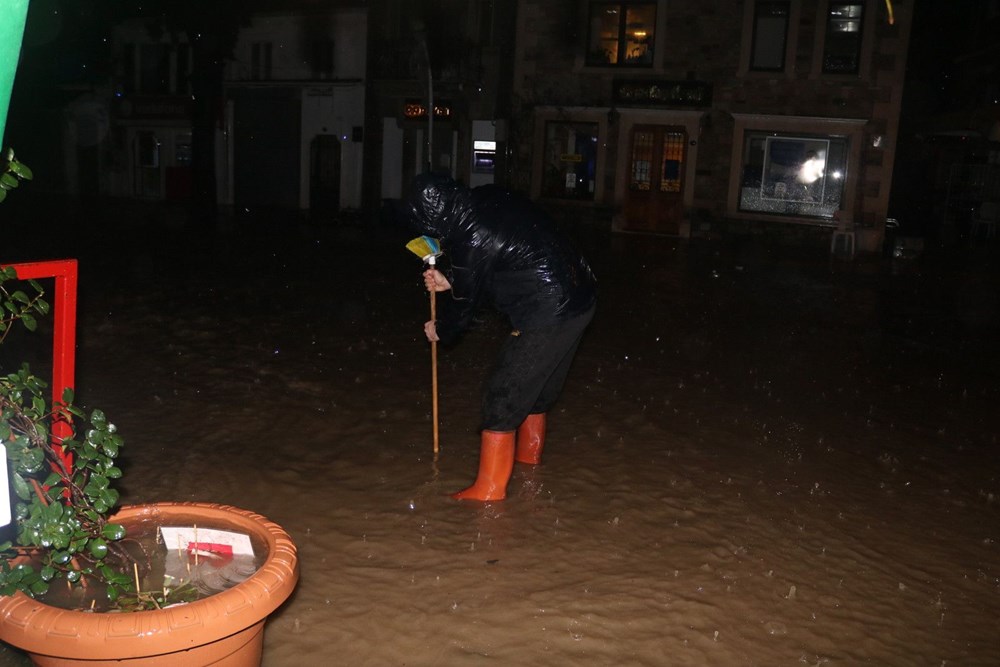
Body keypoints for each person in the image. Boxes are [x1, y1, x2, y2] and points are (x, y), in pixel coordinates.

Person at [408, 173, 597, 501]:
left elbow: (465, 306)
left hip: (549, 309)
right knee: (537, 388)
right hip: (582, 295)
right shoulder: (487, 197)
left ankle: (489, 492)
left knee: (503, 395)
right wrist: (451, 278)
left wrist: (440, 328)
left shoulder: (472, 238)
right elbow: (502, 255)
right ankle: (529, 465)